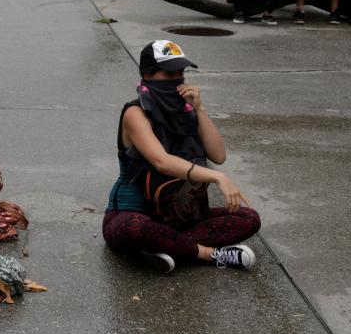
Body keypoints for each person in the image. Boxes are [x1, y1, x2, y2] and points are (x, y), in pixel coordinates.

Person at [102, 41, 261, 274]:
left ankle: (158, 249)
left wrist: (199, 109)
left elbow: (218, 155)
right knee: (133, 229)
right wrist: (218, 178)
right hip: (135, 214)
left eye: (181, 73)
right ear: (147, 74)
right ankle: (209, 254)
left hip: (183, 216)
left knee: (249, 218)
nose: (178, 80)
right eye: (169, 73)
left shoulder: (186, 111)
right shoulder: (135, 113)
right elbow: (161, 161)